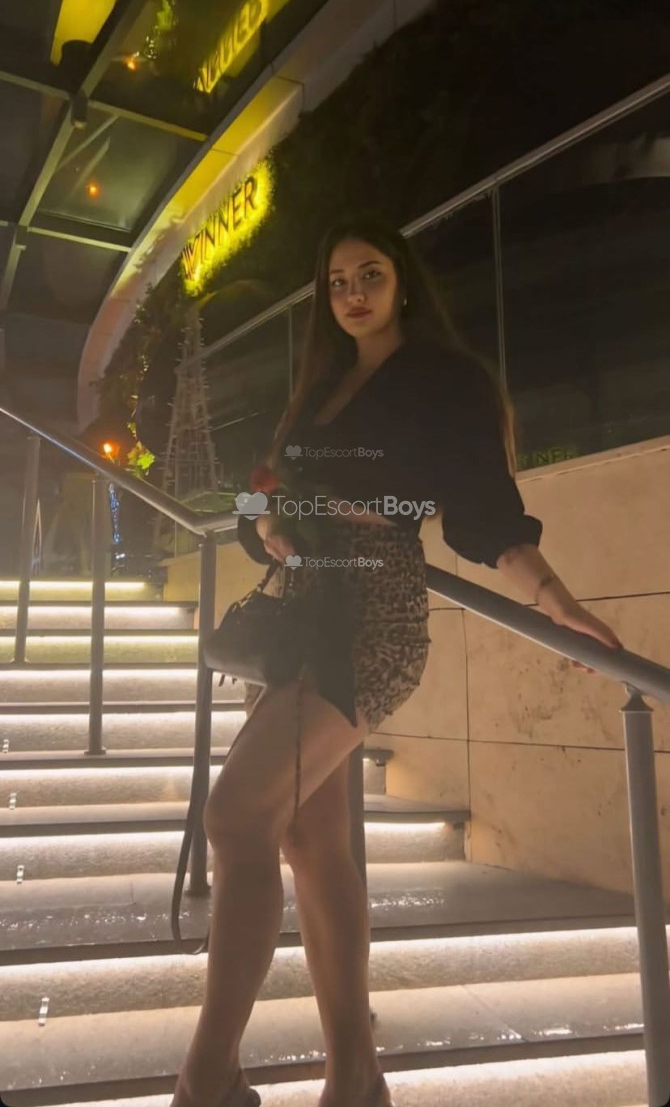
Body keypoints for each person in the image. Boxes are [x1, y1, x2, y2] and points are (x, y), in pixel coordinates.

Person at [170, 216, 623, 1107]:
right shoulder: (319, 386)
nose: (353, 294)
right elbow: (252, 494)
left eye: (369, 274)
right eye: (338, 282)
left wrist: (557, 601)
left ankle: (208, 1078)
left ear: (402, 280)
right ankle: (354, 1077)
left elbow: (481, 511)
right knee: (310, 841)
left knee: (236, 817)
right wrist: (266, 524)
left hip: (372, 619)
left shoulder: (446, 379)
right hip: (301, 616)